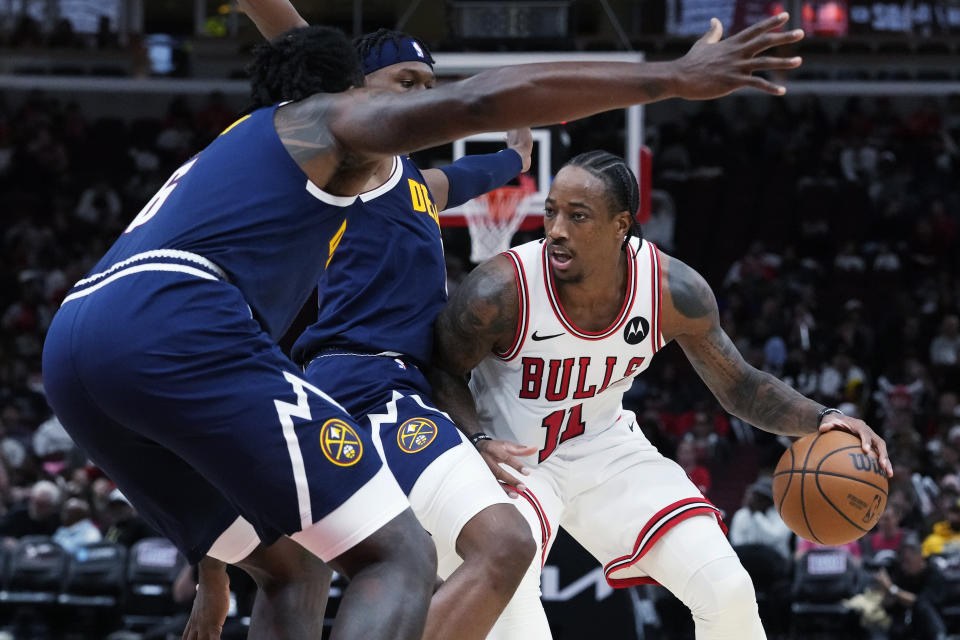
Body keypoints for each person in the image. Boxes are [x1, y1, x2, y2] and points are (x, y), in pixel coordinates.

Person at [43, 11, 804, 640]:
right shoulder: (334, 128)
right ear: (356, 94)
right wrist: (670, 77)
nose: (412, 104)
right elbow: (476, 103)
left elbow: (453, 165)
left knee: (293, 567)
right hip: (330, 368)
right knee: (404, 556)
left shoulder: (332, 166)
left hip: (84, 344)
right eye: (401, 89)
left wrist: (209, 561)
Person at [430, 150, 893, 639]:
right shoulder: (502, 288)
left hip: (603, 448)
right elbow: (440, 369)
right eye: (551, 212)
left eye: (577, 215)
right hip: (508, 456)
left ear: (620, 224)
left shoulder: (672, 290)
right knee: (512, 605)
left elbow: (738, 384)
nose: (556, 229)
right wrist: (479, 440)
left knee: (727, 588)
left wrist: (823, 419)